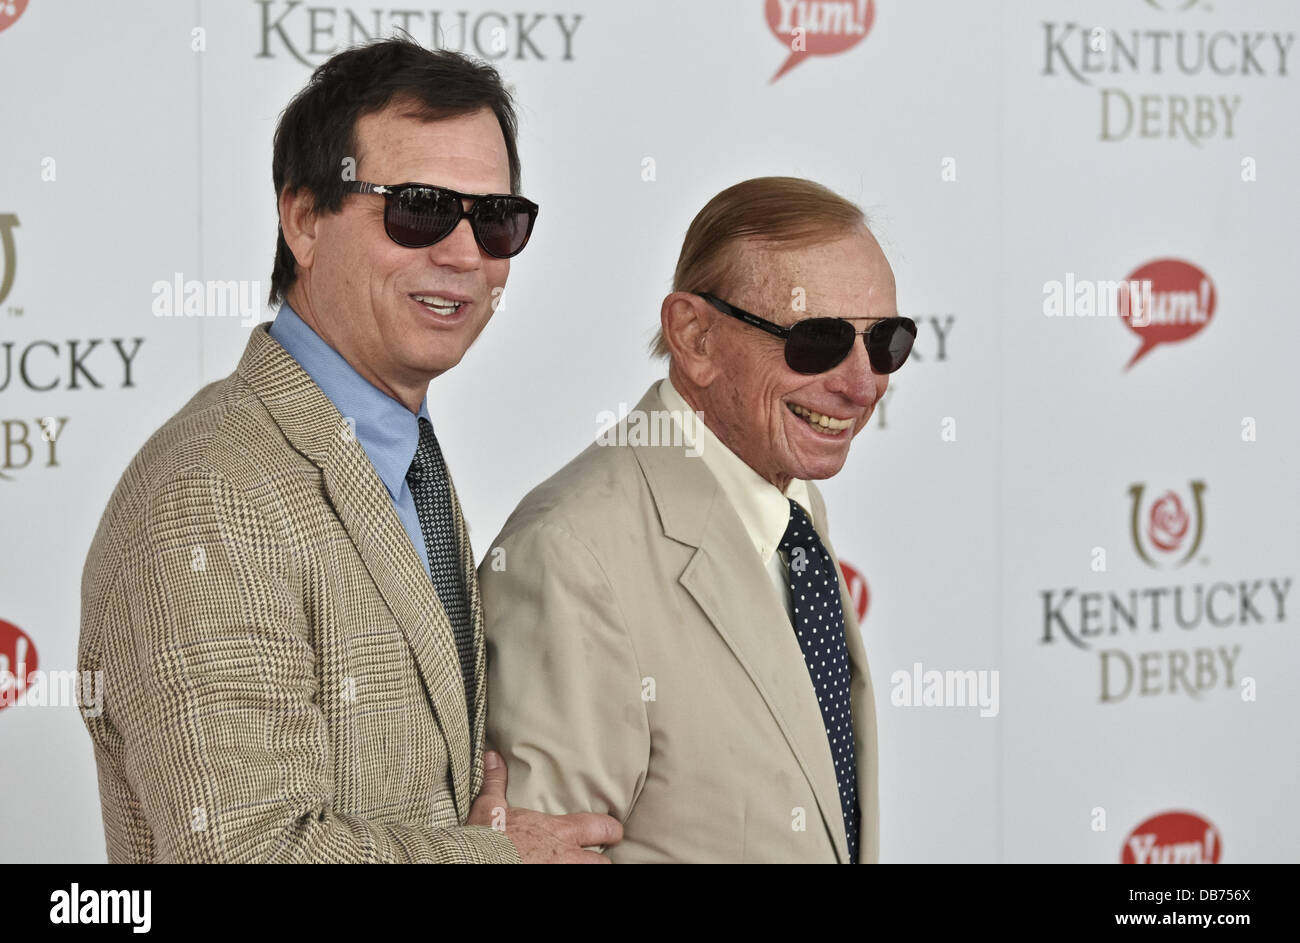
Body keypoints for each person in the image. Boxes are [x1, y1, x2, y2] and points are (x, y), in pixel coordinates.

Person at [78, 37, 620, 863]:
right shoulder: (211, 493)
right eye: (419, 208)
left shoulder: (398, 454)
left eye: (497, 220)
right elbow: (244, 855)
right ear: (303, 219)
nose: (465, 254)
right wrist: (499, 858)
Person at [480, 176, 914, 862]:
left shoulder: (789, 502)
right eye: (819, 340)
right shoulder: (571, 555)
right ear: (695, 336)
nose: (863, 384)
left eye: (886, 340)